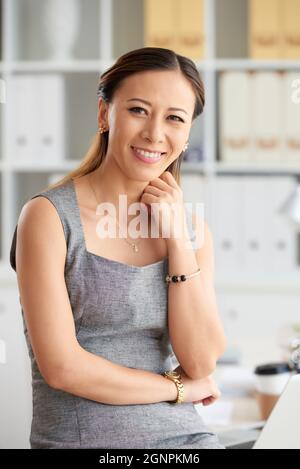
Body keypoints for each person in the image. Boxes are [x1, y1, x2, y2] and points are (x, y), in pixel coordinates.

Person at [10, 47, 226, 449]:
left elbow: (200, 362)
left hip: (188, 440)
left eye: (174, 118)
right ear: (105, 114)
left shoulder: (192, 229)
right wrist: (176, 389)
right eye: (139, 110)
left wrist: (177, 237)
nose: (155, 134)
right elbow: (62, 368)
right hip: (85, 440)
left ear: (186, 134)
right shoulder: (48, 217)